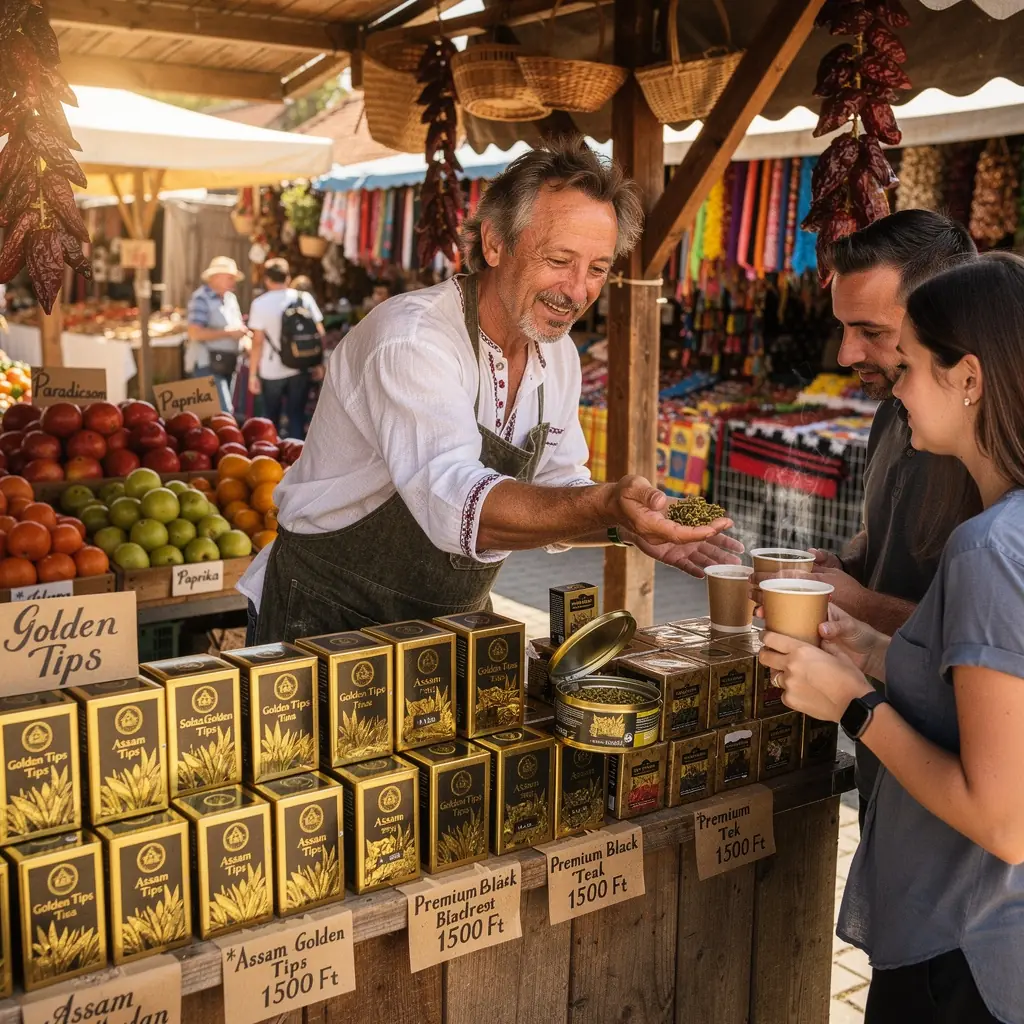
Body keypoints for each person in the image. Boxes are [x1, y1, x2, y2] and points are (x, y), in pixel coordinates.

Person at [240, 138, 742, 643]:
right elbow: (453, 502)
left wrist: (630, 526)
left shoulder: (558, 356)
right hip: (325, 620)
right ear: (494, 243)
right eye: (559, 259)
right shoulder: (414, 339)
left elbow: (559, 492)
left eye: (596, 269)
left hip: (447, 630)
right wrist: (608, 504)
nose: (575, 291)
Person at [759, 252, 1024, 1024]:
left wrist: (852, 704)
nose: (894, 388)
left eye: (907, 366)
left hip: (967, 957)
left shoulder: (989, 549)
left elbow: (1003, 818)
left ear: (968, 378)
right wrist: (867, 651)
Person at [754, 211, 979, 827]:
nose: (847, 351)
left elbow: (992, 636)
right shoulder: (894, 413)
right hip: (892, 749)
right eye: (842, 327)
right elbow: (893, 536)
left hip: (968, 772)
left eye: (870, 331)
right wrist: (840, 568)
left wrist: (860, 605)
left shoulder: (994, 460)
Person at [247, 258, 325, 440]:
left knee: (270, 420)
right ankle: (296, 457)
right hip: (300, 366)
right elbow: (319, 333)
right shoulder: (303, 298)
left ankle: (272, 459)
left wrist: (252, 374)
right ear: (288, 278)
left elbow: (257, 342)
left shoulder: (259, 304)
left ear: (267, 279)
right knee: (296, 416)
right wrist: (319, 363)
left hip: (271, 369)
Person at [186, 256, 249, 413]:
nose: (233, 281)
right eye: (229, 277)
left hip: (228, 363)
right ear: (215, 277)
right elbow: (195, 333)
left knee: (223, 413)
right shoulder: (201, 298)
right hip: (207, 363)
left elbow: (238, 326)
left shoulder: (230, 299)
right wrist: (228, 333)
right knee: (223, 411)